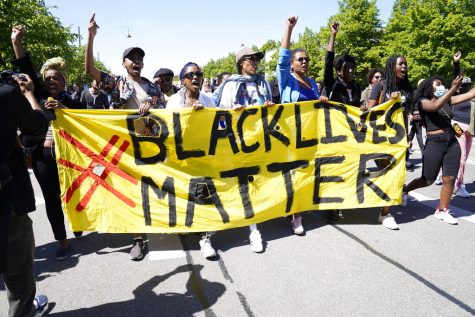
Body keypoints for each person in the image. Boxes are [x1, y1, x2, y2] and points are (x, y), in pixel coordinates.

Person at [86, 13, 165, 260]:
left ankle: (161, 223)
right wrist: (90, 37)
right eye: (132, 58)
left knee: (153, 189)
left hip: (150, 147)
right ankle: (137, 239)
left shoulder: (152, 88)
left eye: (140, 58)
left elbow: (165, 110)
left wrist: (152, 107)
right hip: (125, 148)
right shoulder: (117, 83)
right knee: (130, 193)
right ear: (124, 63)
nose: (137, 61)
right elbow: (90, 69)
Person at [11, 25, 85, 260]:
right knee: (52, 199)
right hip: (43, 158)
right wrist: (17, 43)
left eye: (57, 78)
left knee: (75, 194)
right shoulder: (39, 97)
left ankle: (78, 221)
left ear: (64, 81)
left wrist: (64, 109)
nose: (52, 81)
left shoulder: (75, 101)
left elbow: (85, 122)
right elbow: (25, 68)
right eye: (48, 79)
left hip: (70, 157)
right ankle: (62, 242)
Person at [213, 46, 274, 253]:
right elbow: (220, 116)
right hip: (236, 143)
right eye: (250, 59)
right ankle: (211, 229)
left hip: (259, 142)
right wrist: (232, 113)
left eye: (257, 59)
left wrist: (269, 107)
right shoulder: (230, 85)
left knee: (253, 186)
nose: (255, 63)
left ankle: (253, 229)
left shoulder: (263, 83)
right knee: (232, 186)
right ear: (241, 63)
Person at [1, 72, 49, 317]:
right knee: (18, 267)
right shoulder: (6, 94)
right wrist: (28, 93)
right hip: (6, 199)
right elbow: (37, 124)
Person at [402, 75, 475, 224]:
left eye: (442, 84)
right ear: (429, 88)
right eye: (437, 84)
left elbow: (470, 94)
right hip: (434, 143)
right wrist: (453, 88)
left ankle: (442, 210)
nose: (441, 87)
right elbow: (435, 107)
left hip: (452, 142)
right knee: (427, 179)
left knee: (449, 178)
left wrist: (455, 90)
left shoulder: (448, 100)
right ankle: (405, 190)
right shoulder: (423, 102)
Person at [276, 16, 325, 235]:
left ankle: (298, 207)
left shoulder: (313, 83)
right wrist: (289, 28)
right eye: (300, 60)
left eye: (306, 59)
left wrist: (320, 102)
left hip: (310, 136)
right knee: (294, 174)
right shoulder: (287, 80)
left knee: (306, 174)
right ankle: (295, 216)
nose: (304, 62)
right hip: (291, 136)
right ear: (293, 64)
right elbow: (282, 58)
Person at [167, 62, 217, 259]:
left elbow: (219, 125)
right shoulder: (173, 101)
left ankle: (205, 238)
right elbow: (169, 128)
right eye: (190, 75)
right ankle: (185, 224)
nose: (195, 77)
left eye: (199, 74)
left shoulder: (209, 100)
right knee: (183, 194)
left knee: (202, 195)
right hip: (180, 158)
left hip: (203, 156)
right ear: (183, 80)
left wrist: (204, 115)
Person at [366, 54, 412, 230]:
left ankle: (384, 205)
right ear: (392, 66)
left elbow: (405, 115)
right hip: (381, 139)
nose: (404, 67)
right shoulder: (380, 86)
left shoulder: (406, 89)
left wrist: (407, 137)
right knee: (391, 173)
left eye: (405, 64)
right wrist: (390, 101)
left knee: (396, 174)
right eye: (401, 64)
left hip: (399, 141)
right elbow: (370, 111)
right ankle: (385, 213)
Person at [322, 22, 361, 107]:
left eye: (352, 68)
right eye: (346, 68)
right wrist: (333, 35)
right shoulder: (332, 84)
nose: (350, 71)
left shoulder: (356, 87)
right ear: (338, 71)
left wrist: (362, 106)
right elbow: (328, 62)